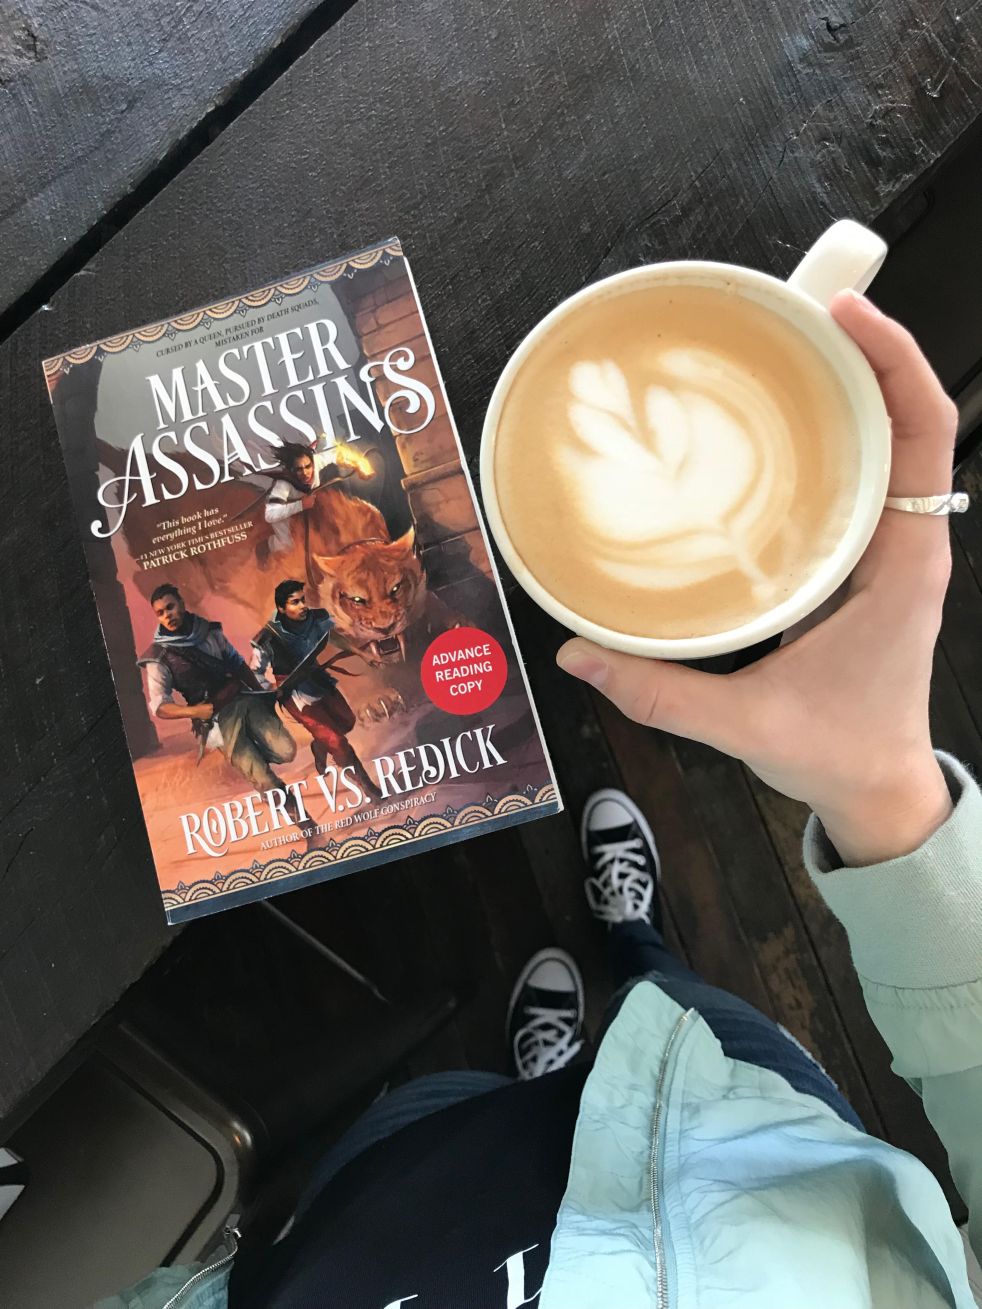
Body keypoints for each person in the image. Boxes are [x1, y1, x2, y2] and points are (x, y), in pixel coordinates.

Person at [104, 292, 980, 1308]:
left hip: (397, 1182)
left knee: (449, 1096)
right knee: (672, 1007)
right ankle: (639, 947)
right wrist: (884, 792)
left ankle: (550, 1062)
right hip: (742, 1112)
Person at [138, 583, 300, 806]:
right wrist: (194, 711)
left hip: (243, 698)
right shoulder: (158, 657)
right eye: (160, 613)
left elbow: (237, 664)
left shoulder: (209, 632)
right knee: (263, 779)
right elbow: (160, 706)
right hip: (214, 721)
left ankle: (255, 760)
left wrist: (261, 692)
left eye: (170, 607)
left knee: (286, 751)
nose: (167, 615)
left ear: (182, 605)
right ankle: (300, 818)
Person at [251, 579, 382, 800]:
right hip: (295, 695)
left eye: (302, 600)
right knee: (337, 742)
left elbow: (332, 636)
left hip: (318, 680)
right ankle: (368, 788)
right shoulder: (267, 637)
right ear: (281, 608)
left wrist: (362, 654)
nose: (302, 606)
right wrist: (269, 690)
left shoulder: (314, 619)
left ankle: (320, 744)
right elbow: (256, 670)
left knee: (346, 722)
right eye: (295, 602)